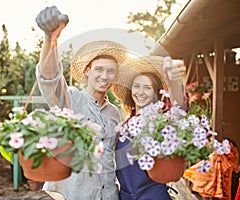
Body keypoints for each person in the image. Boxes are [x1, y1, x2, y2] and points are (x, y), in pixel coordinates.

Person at [35, 6, 128, 200]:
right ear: (87, 71)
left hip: (109, 194)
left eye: (111, 71)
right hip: (73, 195)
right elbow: (49, 78)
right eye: (99, 69)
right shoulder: (70, 100)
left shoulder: (115, 113)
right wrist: (50, 39)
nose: (105, 76)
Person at [112, 56, 186, 200]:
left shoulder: (162, 122)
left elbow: (179, 107)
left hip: (153, 196)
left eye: (147, 87)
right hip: (125, 196)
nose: (140, 92)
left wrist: (175, 82)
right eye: (137, 86)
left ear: (156, 93)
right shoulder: (126, 124)